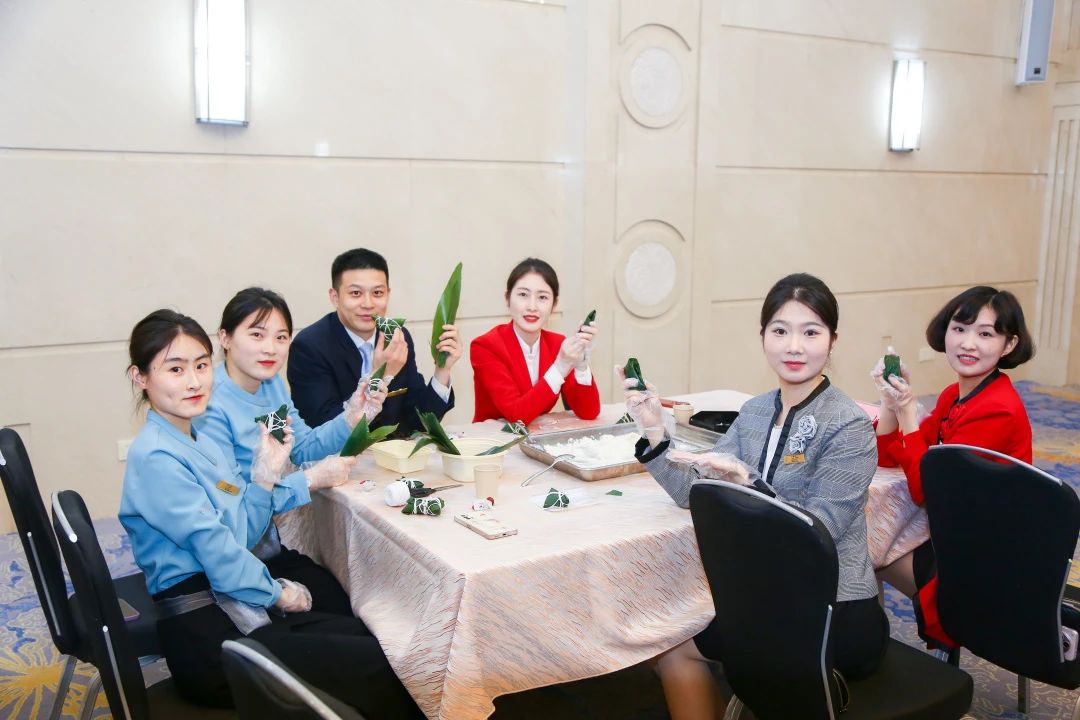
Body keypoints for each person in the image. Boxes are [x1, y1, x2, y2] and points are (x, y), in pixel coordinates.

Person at [119, 309, 422, 716]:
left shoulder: (196, 437)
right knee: (378, 667)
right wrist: (278, 593)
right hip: (211, 636)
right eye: (175, 369)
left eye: (201, 366)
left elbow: (241, 534)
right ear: (140, 377)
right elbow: (221, 555)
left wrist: (263, 479)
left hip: (236, 604)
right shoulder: (157, 456)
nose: (194, 381)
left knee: (369, 638)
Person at [625, 273, 886, 720]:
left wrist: (751, 486)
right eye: (780, 331)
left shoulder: (849, 425)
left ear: (833, 340)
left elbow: (818, 534)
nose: (794, 347)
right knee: (668, 647)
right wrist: (654, 432)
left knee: (677, 648)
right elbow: (693, 493)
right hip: (769, 596)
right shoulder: (755, 411)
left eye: (811, 332)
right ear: (763, 336)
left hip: (833, 608)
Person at [196, 287, 384, 615]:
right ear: (224, 338)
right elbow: (236, 508)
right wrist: (310, 479)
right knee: (343, 610)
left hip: (265, 546)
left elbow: (303, 446)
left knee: (351, 598)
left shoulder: (270, 384)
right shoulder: (208, 405)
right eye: (257, 334)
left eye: (281, 337)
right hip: (231, 561)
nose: (270, 348)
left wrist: (352, 416)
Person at [872, 285, 1035, 648]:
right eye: (959, 329)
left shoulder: (998, 409)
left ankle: (865, 651)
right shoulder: (955, 395)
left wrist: (909, 414)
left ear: (1009, 344)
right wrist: (889, 402)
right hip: (953, 531)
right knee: (863, 542)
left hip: (982, 558)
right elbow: (889, 456)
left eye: (985, 334)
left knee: (859, 550)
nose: (968, 343)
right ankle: (866, 648)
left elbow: (925, 491)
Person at [288, 248, 462, 434]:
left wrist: (442, 370)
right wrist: (379, 377)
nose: (368, 304)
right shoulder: (310, 346)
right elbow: (321, 427)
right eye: (356, 293)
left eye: (377, 293)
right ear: (335, 297)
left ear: (388, 294)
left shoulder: (396, 337)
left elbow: (418, 420)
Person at [470, 258, 600, 424]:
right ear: (507, 298)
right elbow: (516, 415)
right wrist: (560, 366)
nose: (532, 306)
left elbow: (589, 412)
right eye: (523, 295)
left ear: (554, 304)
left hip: (537, 435)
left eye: (542, 297)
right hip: (492, 438)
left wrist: (581, 368)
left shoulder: (557, 344)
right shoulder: (485, 346)